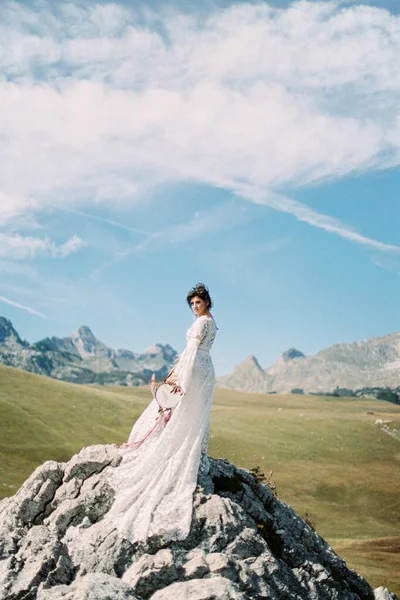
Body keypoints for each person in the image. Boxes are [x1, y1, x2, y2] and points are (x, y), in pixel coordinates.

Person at [107, 283, 218, 543]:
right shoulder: (213, 323)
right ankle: (191, 447)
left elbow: (190, 352)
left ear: (206, 301)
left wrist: (177, 376)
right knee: (194, 411)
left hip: (195, 369)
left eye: (198, 302)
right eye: (192, 304)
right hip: (208, 368)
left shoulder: (202, 324)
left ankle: (173, 446)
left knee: (180, 405)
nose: (195, 306)